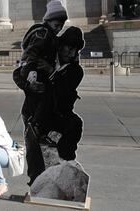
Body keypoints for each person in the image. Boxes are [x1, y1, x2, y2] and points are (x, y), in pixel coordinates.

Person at [12, 0, 68, 186]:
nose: (59, 27)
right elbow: (27, 59)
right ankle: (37, 180)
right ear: (49, 21)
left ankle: (44, 178)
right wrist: (31, 81)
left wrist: (49, 68)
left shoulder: (51, 38)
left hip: (45, 98)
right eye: (56, 23)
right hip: (36, 103)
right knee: (36, 142)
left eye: (61, 24)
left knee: (45, 142)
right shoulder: (44, 35)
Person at [50, 26, 85, 161]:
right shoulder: (49, 59)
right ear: (60, 46)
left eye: (74, 50)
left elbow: (62, 90)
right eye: (68, 48)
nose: (70, 53)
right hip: (37, 111)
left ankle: (67, 159)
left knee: (75, 124)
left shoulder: (75, 71)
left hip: (59, 114)